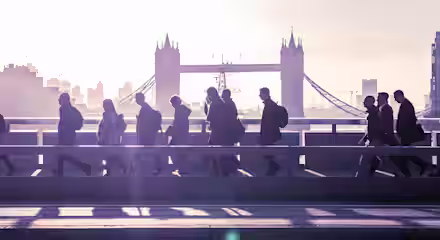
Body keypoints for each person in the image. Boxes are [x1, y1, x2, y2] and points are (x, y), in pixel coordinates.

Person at [394, 90, 434, 176]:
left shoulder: (406, 105)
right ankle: (408, 172)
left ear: (399, 96)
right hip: (406, 134)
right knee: (405, 153)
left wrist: (401, 131)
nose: (395, 100)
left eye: (395, 97)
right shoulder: (406, 104)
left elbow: (406, 121)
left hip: (406, 134)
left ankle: (421, 166)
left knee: (404, 153)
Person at [206, 87, 239, 176]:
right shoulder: (223, 103)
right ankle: (226, 170)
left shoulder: (214, 104)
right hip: (224, 132)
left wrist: (207, 106)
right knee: (225, 152)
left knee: (213, 151)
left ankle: (217, 171)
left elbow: (209, 118)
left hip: (216, 132)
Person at [377, 92, 411, 177]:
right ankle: (405, 173)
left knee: (395, 156)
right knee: (395, 156)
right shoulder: (382, 108)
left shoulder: (387, 109)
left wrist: (386, 135)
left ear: (383, 99)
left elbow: (387, 124)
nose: (377, 99)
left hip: (387, 137)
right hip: (386, 137)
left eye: (379, 98)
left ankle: (405, 174)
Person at [57, 93, 91, 176]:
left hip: (66, 136)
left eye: (61, 100)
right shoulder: (69, 109)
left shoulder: (65, 109)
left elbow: (64, 122)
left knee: (63, 155)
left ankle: (83, 166)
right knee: (63, 155)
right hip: (69, 135)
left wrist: (62, 129)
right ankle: (60, 171)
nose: (59, 101)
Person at [97, 99, 127, 176]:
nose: (105, 107)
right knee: (111, 157)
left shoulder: (110, 117)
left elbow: (104, 129)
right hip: (111, 141)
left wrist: (101, 138)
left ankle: (114, 170)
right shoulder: (110, 116)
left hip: (111, 141)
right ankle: (119, 169)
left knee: (111, 157)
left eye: (106, 105)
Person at [135, 92, 162, 175]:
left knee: (147, 151)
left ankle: (152, 168)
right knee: (149, 151)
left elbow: (144, 124)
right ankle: (154, 168)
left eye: (137, 99)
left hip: (145, 135)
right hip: (149, 135)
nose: (136, 100)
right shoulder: (146, 108)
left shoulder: (145, 109)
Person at [356, 96, 382, 177]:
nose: (364, 103)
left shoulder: (373, 113)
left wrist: (367, 138)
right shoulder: (374, 112)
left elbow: (373, 128)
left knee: (366, 157)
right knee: (370, 156)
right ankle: (370, 173)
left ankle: (360, 176)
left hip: (374, 139)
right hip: (374, 139)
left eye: (365, 101)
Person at [259, 87, 281, 176]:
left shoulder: (268, 106)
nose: (259, 95)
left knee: (268, 152)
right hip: (272, 134)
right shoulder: (271, 104)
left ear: (265, 94)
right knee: (269, 152)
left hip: (269, 134)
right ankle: (272, 168)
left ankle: (273, 168)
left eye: (261, 94)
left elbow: (267, 122)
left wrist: (263, 135)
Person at [167, 95, 192, 175]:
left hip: (178, 135)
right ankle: (183, 168)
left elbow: (177, 123)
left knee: (172, 149)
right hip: (184, 134)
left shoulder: (178, 110)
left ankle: (178, 167)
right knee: (182, 151)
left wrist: (172, 129)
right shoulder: (183, 109)